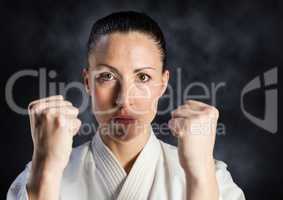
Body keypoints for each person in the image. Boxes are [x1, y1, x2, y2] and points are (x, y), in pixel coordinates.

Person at [7, 11, 245, 200]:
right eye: (107, 77)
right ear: (88, 82)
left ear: (163, 84)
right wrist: (46, 169)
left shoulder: (214, 181)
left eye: (142, 77)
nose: (123, 99)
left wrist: (199, 175)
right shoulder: (38, 178)